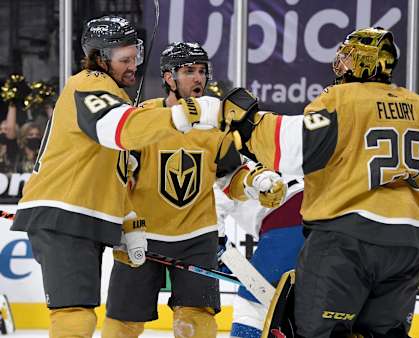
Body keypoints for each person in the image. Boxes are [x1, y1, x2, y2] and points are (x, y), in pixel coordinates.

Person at [195, 27, 419, 337]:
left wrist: (250, 124)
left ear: (365, 62)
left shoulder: (341, 100)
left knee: (319, 330)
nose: (341, 64)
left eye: (348, 58)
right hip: (405, 245)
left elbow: (296, 145)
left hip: (344, 241)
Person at [10, 17, 220, 338]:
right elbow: (119, 131)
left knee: (80, 316)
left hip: (83, 217)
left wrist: (129, 221)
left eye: (134, 56)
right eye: (124, 60)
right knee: (74, 319)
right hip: (64, 213)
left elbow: (114, 173)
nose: (132, 66)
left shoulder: (113, 94)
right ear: (100, 58)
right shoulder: (88, 82)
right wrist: (188, 112)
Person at [101, 42, 286, 338]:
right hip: (141, 235)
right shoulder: (143, 118)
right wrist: (120, 221)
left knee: (195, 326)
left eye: (201, 71)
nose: (198, 78)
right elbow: (118, 178)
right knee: (122, 325)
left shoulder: (215, 123)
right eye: (188, 71)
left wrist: (254, 184)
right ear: (168, 77)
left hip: (196, 238)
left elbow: (230, 176)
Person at [215, 171, 304, 337]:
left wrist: (217, 249)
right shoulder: (266, 149)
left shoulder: (217, 161)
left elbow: (213, 210)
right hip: (329, 219)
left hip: (286, 223)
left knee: (251, 308)